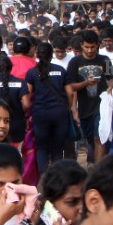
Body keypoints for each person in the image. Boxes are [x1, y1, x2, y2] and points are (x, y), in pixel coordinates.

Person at [64, 30, 113, 163]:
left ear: (97, 45)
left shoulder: (105, 60)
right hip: (85, 108)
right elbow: (70, 86)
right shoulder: (75, 62)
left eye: (92, 47)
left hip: (101, 106)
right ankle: (99, 161)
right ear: (81, 45)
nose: (90, 50)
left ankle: (97, 172)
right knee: (91, 139)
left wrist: (110, 88)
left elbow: (111, 79)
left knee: (99, 138)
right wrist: (86, 83)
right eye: (87, 47)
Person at [24, 41, 70, 176]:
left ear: (37, 55)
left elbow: (28, 94)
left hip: (40, 113)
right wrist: (71, 108)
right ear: (51, 55)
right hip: (60, 113)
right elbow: (69, 92)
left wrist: (26, 114)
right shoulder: (61, 70)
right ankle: (57, 177)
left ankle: (43, 176)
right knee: (57, 148)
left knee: (42, 147)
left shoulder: (32, 73)